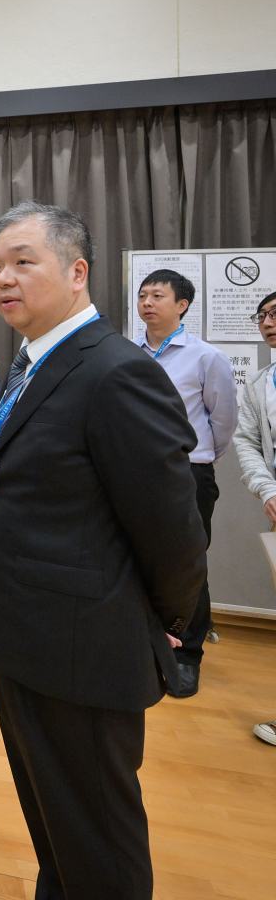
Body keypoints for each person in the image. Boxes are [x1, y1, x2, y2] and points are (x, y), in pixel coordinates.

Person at [0, 201, 207, 899]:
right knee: (57, 825)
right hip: (23, 639)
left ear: (77, 272)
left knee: (99, 837)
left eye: (22, 262)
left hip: (82, 649)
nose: (4, 279)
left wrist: (158, 617)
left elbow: (174, 532)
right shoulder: (32, 363)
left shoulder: (114, 371)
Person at [136, 269, 238, 698]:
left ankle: (187, 655)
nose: (147, 302)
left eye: (158, 295)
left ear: (182, 305)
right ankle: (145, 644)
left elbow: (224, 421)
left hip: (187, 473)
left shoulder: (205, 357)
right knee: (139, 558)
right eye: (142, 295)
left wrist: (194, 458)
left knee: (188, 564)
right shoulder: (127, 353)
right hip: (135, 472)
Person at [231, 289, 276, 748]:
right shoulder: (262, 382)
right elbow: (246, 441)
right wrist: (269, 489)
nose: (267, 322)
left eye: (275, 313)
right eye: (261, 315)